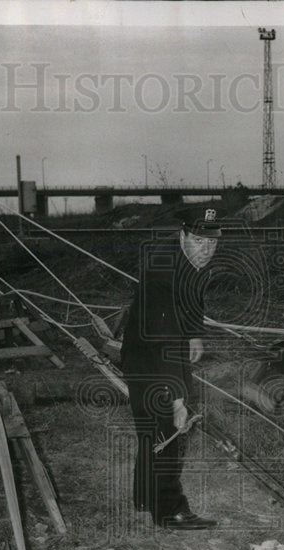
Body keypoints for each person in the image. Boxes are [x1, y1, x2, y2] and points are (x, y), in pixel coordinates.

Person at [119, 207, 222, 529]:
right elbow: (162, 344)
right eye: (198, 240)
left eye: (212, 242)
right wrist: (177, 397)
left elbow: (194, 301)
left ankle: (145, 498)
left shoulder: (193, 263)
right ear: (182, 235)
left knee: (153, 431)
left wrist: (194, 335)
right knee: (168, 431)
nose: (206, 249)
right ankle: (170, 510)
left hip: (159, 348)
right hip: (150, 357)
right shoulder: (164, 273)